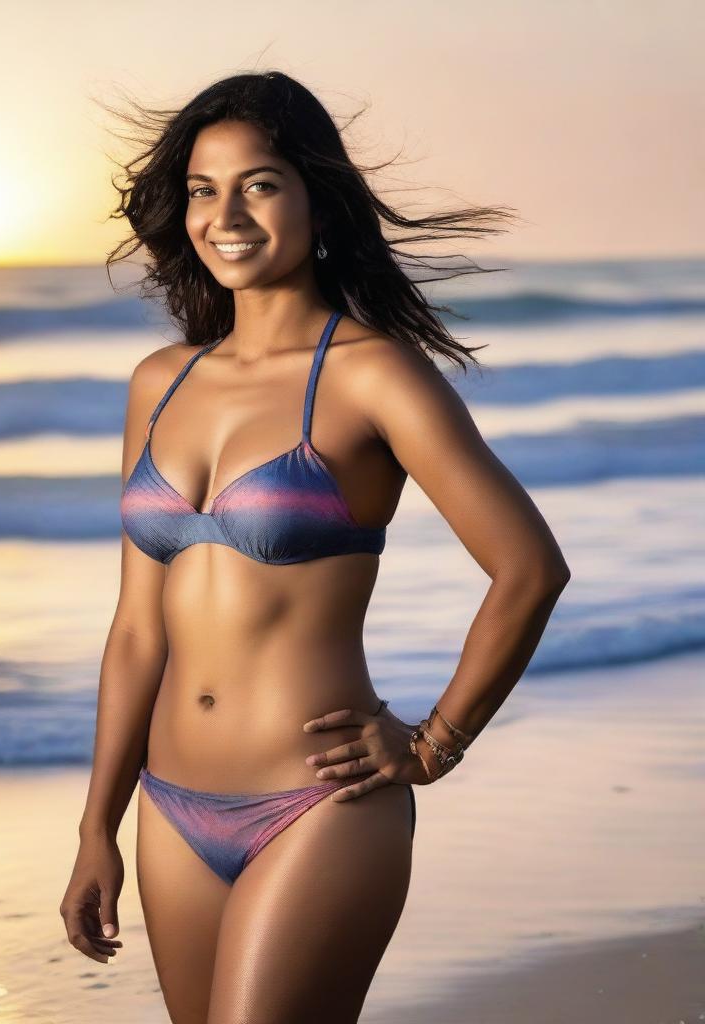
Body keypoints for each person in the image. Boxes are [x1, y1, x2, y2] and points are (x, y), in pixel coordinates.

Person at [60, 71, 570, 1024]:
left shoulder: (373, 373)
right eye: (204, 190)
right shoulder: (159, 382)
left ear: (315, 199)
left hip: (319, 805)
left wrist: (433, 744)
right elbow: (137, 630)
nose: (226, 213)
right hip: (170, 807)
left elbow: (529, 569)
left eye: (259, 183)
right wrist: (98, 827)